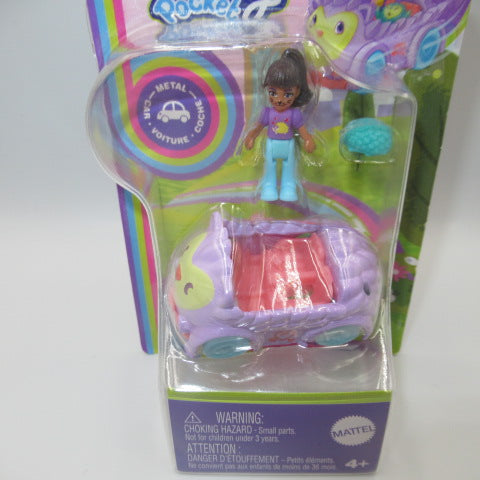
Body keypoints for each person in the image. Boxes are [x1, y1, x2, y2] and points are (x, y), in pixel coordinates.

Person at [244, 48, 315, 202]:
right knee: (269, 168)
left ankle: (288, 187)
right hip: (271, 145)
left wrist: (308, 139)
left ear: (297, 92)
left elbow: (302, 129)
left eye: (287, 94)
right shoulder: (267, 112)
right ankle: (268, 186)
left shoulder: (294, 114)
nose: (279, 99)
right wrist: (251, 137)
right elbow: (258, 127)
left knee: (289, 170)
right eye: (273, 92)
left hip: (289, 145)